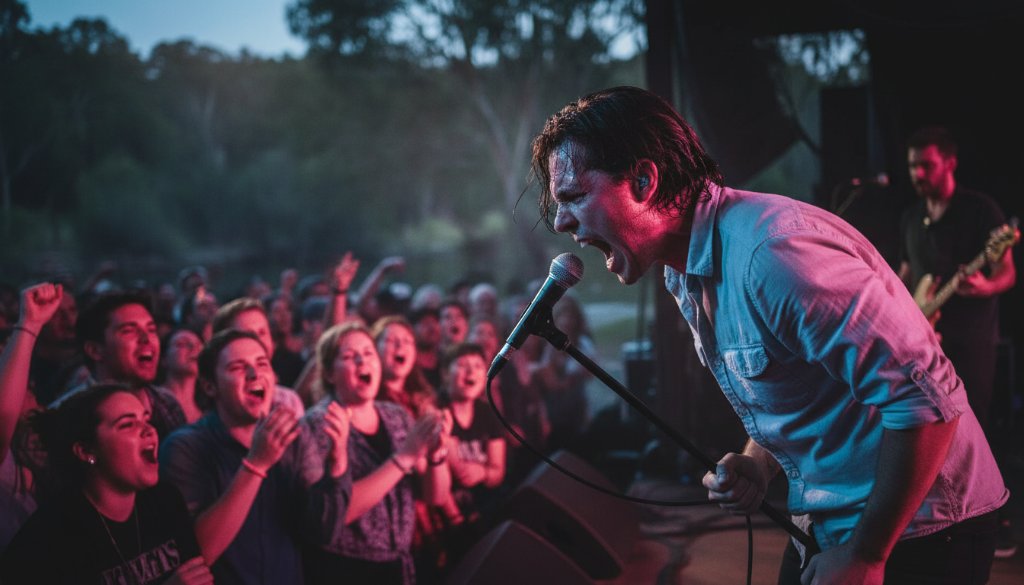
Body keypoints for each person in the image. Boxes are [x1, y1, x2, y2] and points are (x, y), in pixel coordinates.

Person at [531, 86, 1008, 585]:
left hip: (925, 528)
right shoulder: (686, 270)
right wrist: (759, 462)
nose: (563, 222)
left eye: (575, 196)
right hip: (834, 520)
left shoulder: (773, 257)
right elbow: (798, 385)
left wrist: (868, 554)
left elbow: (926, 400)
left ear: (645, 180)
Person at [897, 125, 1018, 559]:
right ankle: (934, 521)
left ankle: (993, 522)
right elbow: (908, 276)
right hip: (925, 343)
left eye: (926, 164)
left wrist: (986, 287)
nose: (917, 173)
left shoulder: (980, 210)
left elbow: (1007, 270)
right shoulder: (912, 217)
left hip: (972, 340)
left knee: (977, 424)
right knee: (925, 425)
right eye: (913, 165)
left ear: (950, 163)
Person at [159, 329, 351, 585]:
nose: (254, 374)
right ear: (209, 386)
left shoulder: (294, 437)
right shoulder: (185, 447)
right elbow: (195, 555)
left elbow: (322, 533)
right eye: (238, 367)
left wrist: (336, 466)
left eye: (262, 364)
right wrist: (256, 464)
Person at [1, 383, 214, 584]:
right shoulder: (52, 537)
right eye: (128, 424)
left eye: (146, 419)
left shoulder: (165, 500)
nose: (149, 430)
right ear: (86, 451)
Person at [299, 322, 450, 585]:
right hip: (347, 570)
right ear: (330, 375)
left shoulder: (395, 415)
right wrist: (403, 458)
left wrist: (437, 455)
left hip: (399, 565)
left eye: (368, 353)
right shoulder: (319, 424)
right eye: (349, 356)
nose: (362, 361)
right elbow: (337, 513)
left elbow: (434, 496)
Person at [56, 291, 187, 442]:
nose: (146, 339)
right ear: (95, 350)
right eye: (129, 331)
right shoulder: (68, 416)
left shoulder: (167, 404)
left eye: (151, 330)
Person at [157, 327, 205, 424]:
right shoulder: (151, 399)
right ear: (164, 358)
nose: (194, 348)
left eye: (199, 345)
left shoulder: (210, 410)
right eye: (182, 344)